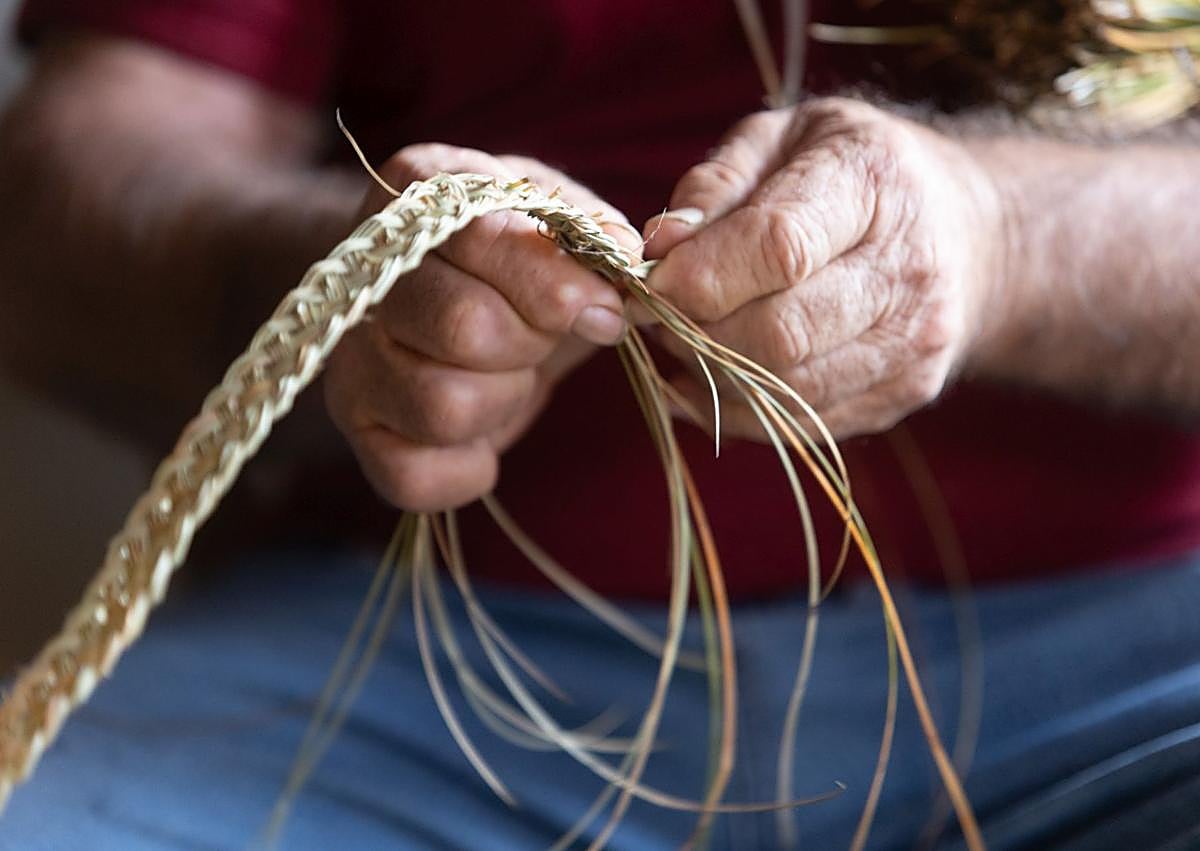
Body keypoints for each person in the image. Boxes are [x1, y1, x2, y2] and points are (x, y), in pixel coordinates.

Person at [2, 1, 1200, 849]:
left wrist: (1003, 230)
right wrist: (359, 280)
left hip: (1144, 672)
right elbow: (62, 211)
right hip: (409, 676)